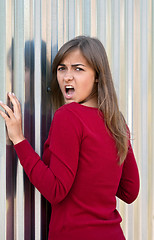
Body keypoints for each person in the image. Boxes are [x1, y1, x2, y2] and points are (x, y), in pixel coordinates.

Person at [0, 36, 140, 240]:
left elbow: (56, 190)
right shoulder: (116, 121)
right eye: (62, 68)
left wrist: (18, 139)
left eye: (78, 69)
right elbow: (130, 190)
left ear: (97, 76)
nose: (67, 76)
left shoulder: (68, 116)